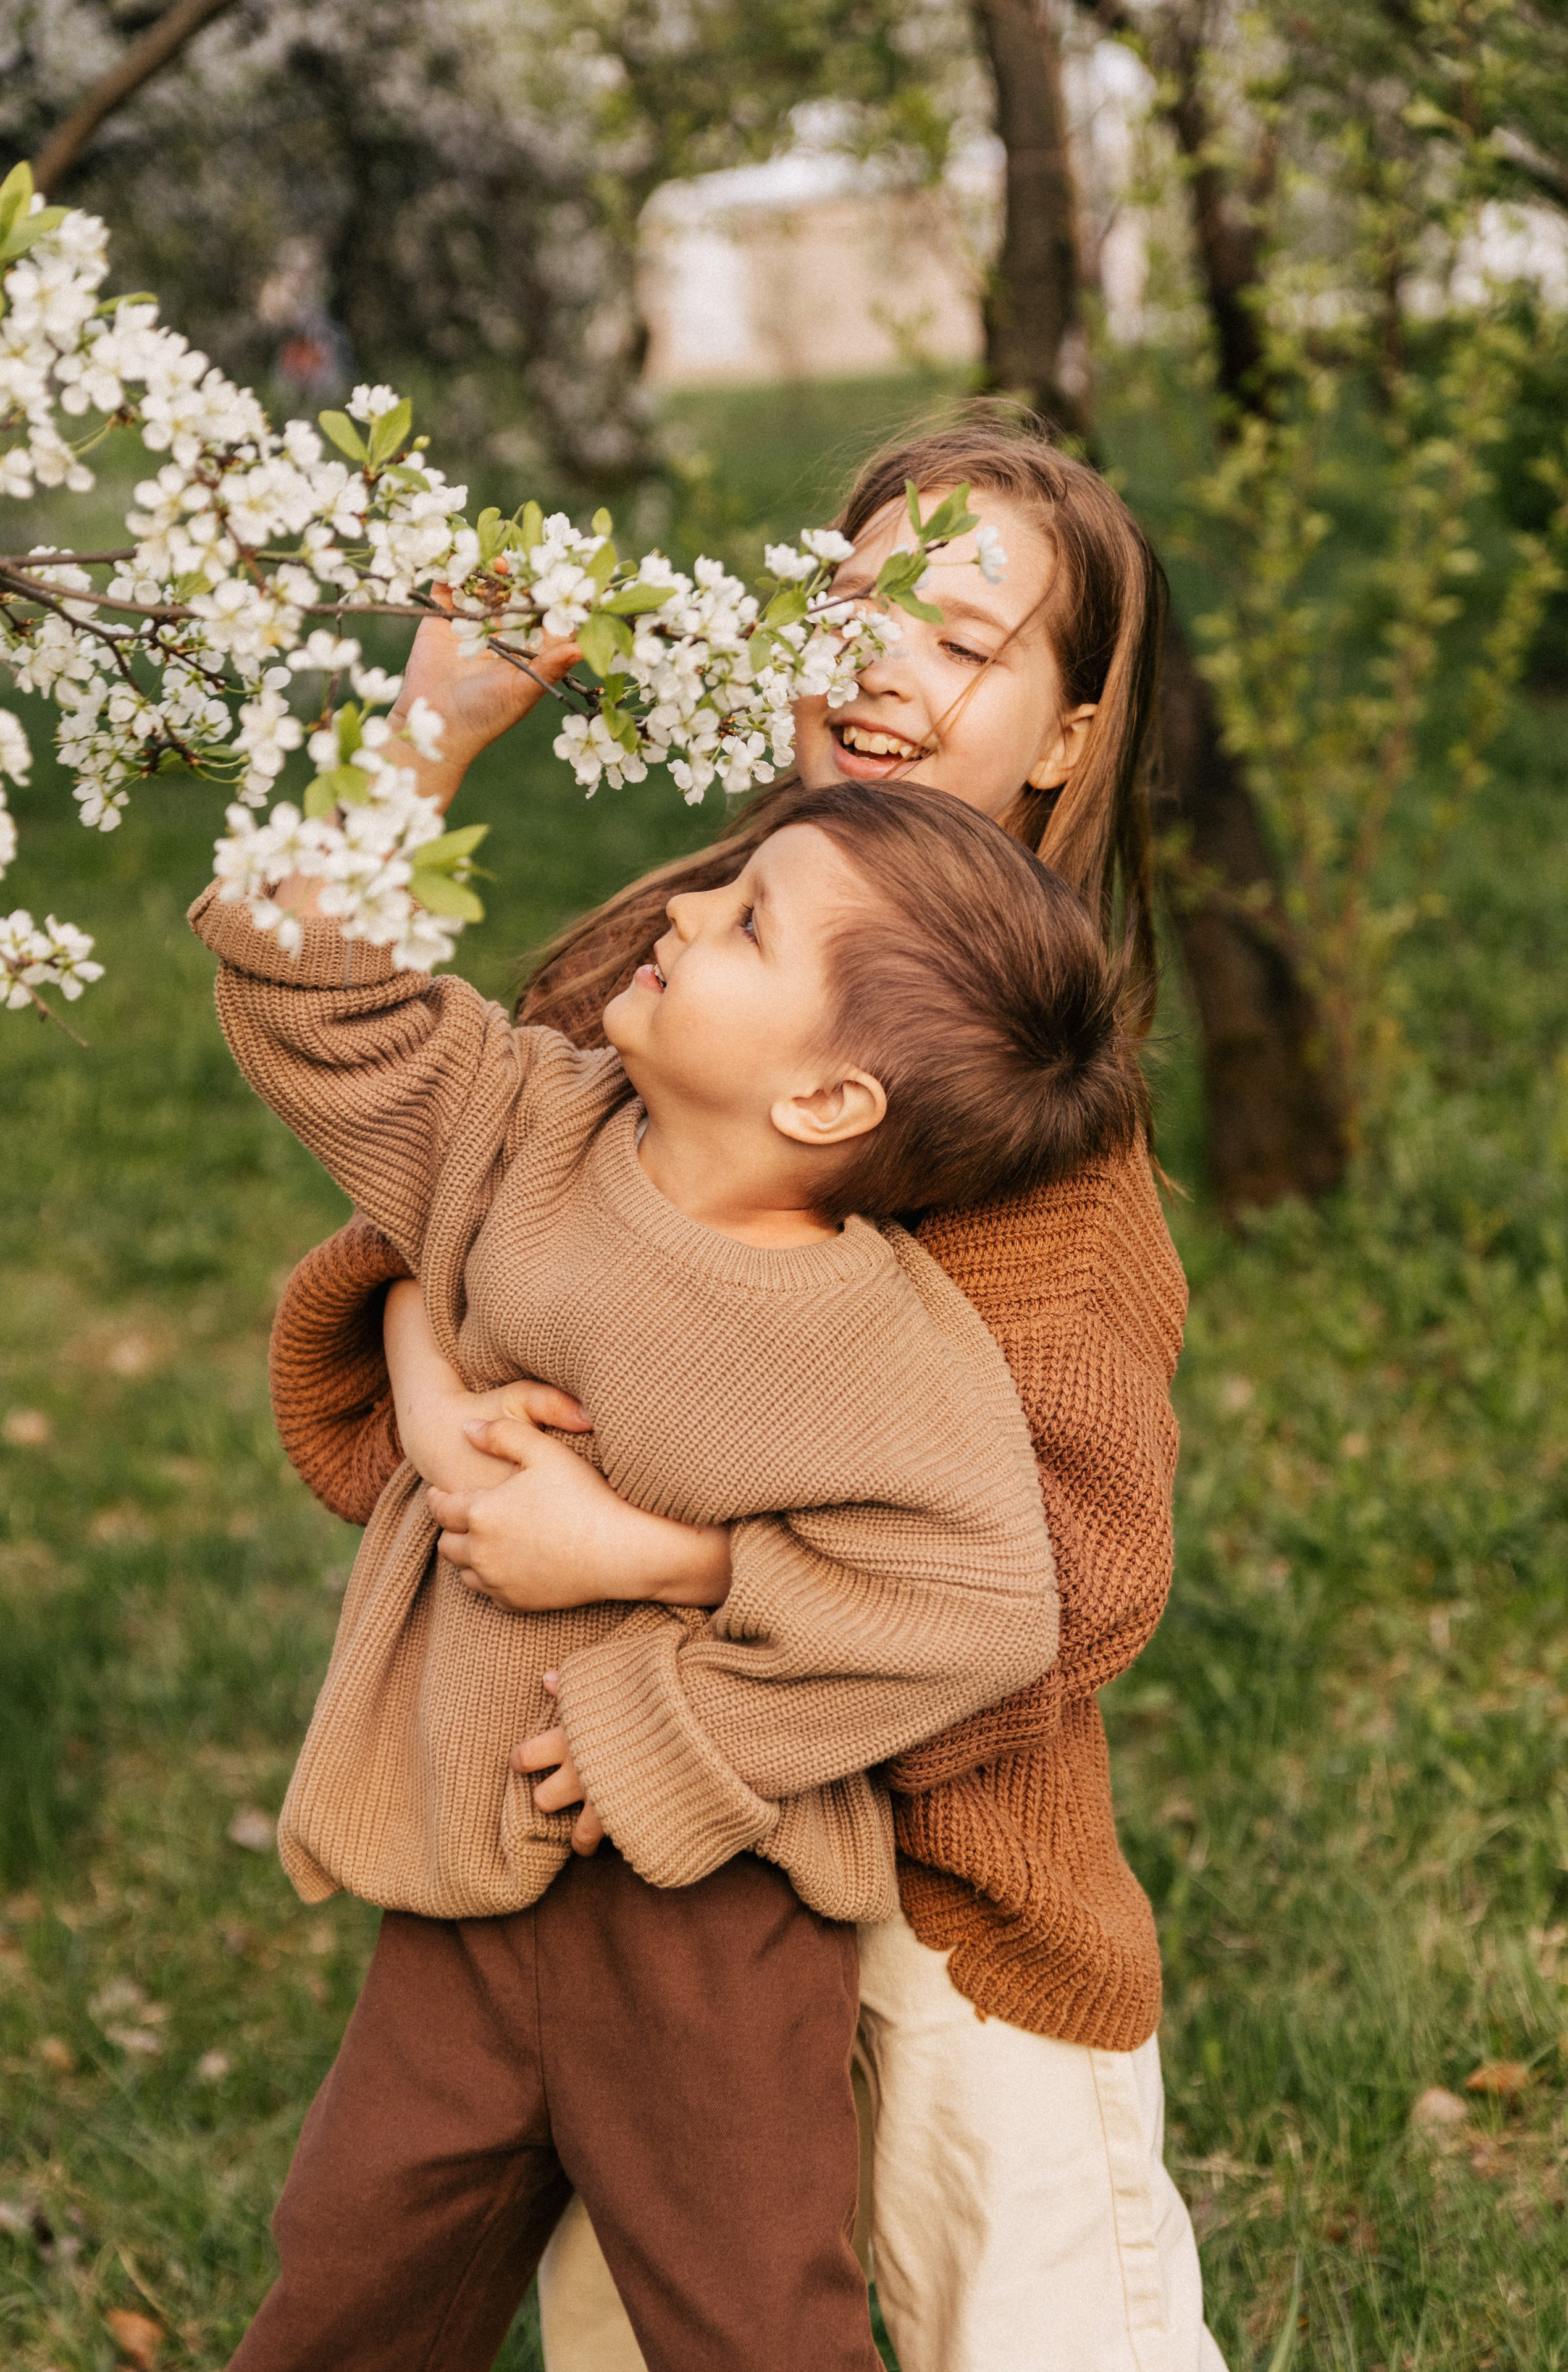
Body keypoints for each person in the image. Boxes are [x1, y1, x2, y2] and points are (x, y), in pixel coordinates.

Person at [269, 409, 1228, 2372]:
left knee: (1033, 2318)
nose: (885, 658)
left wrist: (655, 1550)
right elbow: (471, 1203)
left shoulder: (1055, 1150)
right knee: (659, 2319)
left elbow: (1067, 1577)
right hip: (622, 1871)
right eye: (853, 595)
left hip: (949, 1858)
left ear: (1065, 733)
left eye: (966, 641)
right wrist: (430, 1377)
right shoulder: (675, 953)